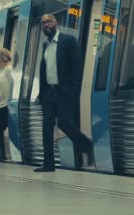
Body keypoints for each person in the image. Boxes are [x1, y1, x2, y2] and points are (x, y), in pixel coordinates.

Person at [35, 14, 93, 172]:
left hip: (64, 91)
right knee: (47, 125)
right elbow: (45, 69)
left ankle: (87, 146)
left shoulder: (69, 41)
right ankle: (49, 164)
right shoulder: (45, 45)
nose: (46, 24)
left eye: (49, 21)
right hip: (48, 92)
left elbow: (76, 67)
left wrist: (73, 90)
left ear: (56, 23)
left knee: (64, 123)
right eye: (43, 22)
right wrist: (41, 93)